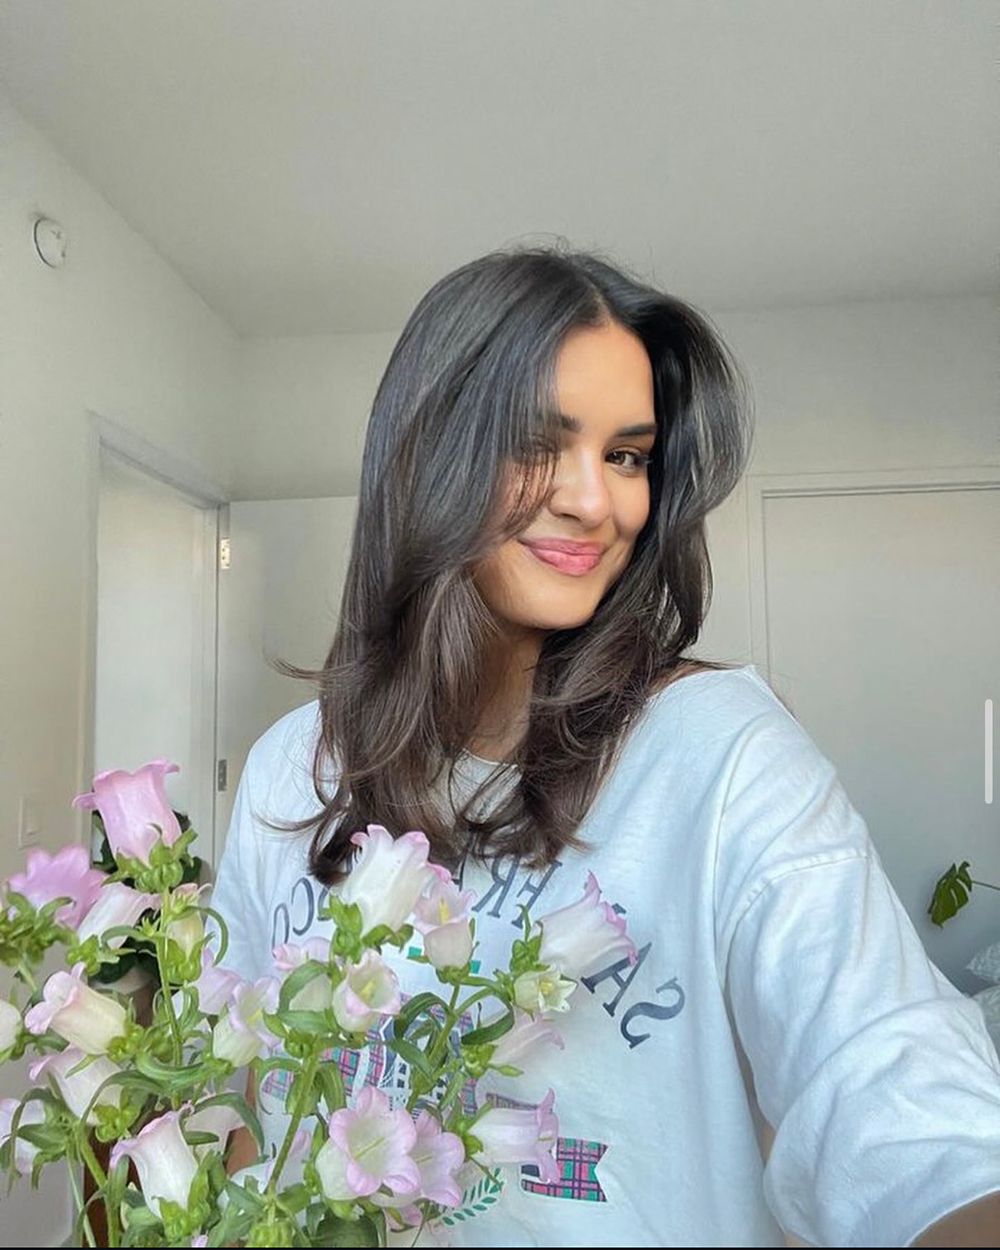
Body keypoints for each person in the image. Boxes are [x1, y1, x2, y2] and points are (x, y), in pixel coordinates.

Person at [210, 246, 1000, 1247]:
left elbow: (895, 1090)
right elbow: (241, 1083)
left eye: (626, 454)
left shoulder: (719, 753)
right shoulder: (292, 765)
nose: (597, 501)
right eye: (540, 444)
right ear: (428, 455)